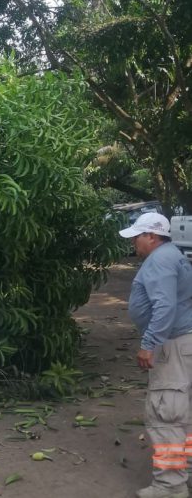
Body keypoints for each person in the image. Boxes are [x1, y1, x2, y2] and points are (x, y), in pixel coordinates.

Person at [119, 212, 192, 498]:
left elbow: (165, 307)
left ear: (152, 236)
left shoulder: (161, 260)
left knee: (166, 413)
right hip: (183, 341)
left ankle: (170, 486)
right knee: (184, 412)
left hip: (172, 345)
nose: (135, 243)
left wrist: (149, 343)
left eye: (137, 236)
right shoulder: (174, 255)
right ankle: (185, 473)